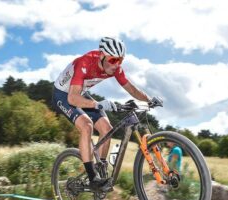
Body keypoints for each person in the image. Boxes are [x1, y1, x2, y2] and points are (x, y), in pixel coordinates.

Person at [52, 37, 162, 191]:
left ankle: (101, 168)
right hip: (63, 95)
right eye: (113, 60)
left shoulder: (115, 68)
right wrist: (96, 104)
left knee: (107, 129)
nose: (116, 64)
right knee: (86, 125)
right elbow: (72, 98)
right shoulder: (85, 63)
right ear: (102, 55)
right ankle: (92, 179)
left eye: (120, 60)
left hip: (80, 92)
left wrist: (149, 100)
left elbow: (131, 89)